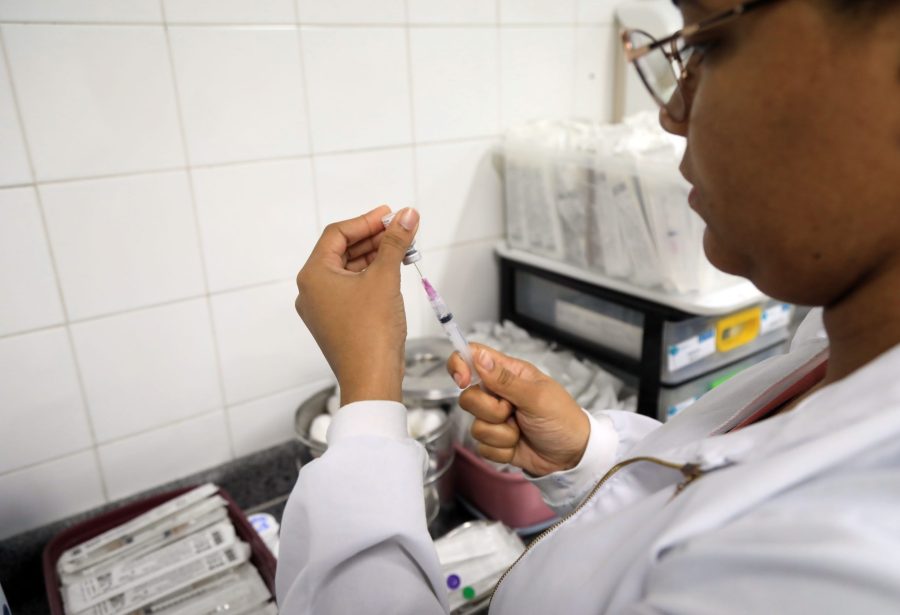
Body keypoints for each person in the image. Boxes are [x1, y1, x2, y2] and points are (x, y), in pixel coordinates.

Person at [276, 0, 900, 612]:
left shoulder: (844, 574)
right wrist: (587, 454)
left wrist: (368, 393)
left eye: (704, 43)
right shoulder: (839, 345)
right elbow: (707, 489)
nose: (671, 114)